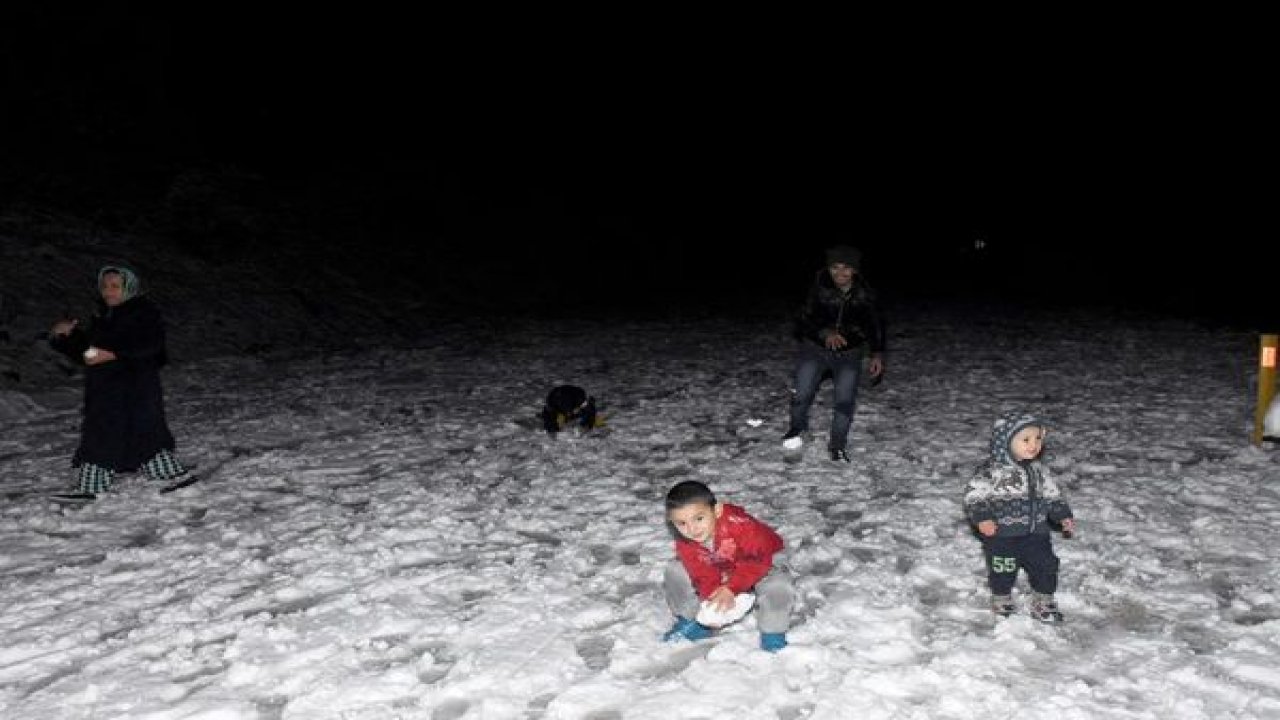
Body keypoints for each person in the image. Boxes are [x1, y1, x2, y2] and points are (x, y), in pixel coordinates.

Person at [47, 264, 196, 500]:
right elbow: (89, 353)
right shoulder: (106, 317)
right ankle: (166, 474)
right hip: (107, 391)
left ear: (130, 288)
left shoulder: (143, 313)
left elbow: (152, 346)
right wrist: (66, 337)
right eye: (105, 286)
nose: (108, 291)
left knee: (139, 433)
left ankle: (99, 485)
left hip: (136, 388)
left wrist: (116, 353)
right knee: (113, 432)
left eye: (115, 286)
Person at [963, 411, 1075, 622]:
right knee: (1003, 568)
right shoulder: (991, 471)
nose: (1034, 444)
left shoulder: (1039, 470)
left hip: (1037, 533)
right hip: (1002, 535)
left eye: (1038, 438)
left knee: (1046, 565)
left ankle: (1043, 599)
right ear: (1006, 442)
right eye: (1026, 439)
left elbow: (1052, 495)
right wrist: (983, 517)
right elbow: (974, 496)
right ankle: (1002, 597)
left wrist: (1062, 515)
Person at [661, 480, 794, 652]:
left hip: (765, 560)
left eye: (699, 518)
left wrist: (732, 587)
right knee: (676, 570)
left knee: (777, 586)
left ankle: (773, 633)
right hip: (724, 563)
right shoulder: (685, 541)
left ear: (717, 511)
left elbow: (758, 560)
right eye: (682, 523)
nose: (692, 529)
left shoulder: (742, 526)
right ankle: (694, 622)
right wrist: (713, 600)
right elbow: (701, 572)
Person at [783, 244, 885, 462]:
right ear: (828, 268)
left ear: (855, 270)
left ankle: (837, 445)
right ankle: (797, 430)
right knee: (801, 394)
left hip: (849, 354)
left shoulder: (865, 294)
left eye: (846, 268)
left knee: (844, 401)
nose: (840, 273)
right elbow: (801, 320)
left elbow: (875, 325)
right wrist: (824, 332)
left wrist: (876, 353)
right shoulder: (816, 289)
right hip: (815, 350)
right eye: (835, 267)